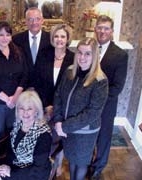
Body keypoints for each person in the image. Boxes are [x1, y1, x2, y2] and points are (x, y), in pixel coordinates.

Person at [53, 37, 108, 180]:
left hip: (85, 133)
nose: (82, 57)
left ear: (95, 56)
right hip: (66, 130)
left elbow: (92, 113)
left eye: (88, 54)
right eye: (80, 53)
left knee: (81, 163)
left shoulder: (100, 80)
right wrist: (58, 121)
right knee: (71, 160)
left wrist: (64, 126)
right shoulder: (69, 72)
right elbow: (58, 95)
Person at [89, 15, 128, 180]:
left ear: (111, 32)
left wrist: (98, 101)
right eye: (99, 27)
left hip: (106, 105)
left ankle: (98, 168)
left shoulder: (120, 55)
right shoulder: (88, 49)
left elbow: (117, 87)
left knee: (103, 138)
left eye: (106, 28)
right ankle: (87, 162)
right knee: (88, 135)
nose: (102, 31)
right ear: (95, 29)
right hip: (86, 105)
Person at [0, 21, 28, 158]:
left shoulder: (18, 51)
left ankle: (11, 161)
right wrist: (7, 99)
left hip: (16, 102)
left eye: (8, 34)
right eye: (1, 35)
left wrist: (15, 97)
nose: (5, 38)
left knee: (14, 132)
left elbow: (25, 74)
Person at [0, 90, 52, 180]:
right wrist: (4, 165)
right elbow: (12, 152)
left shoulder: (43, 135)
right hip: (16, 161)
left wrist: (9, 171)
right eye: (21, 108)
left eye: (29, 109)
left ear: (37, 110)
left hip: (31, 173)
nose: (25, 112)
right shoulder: (18, 125)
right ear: (17, 109)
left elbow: (38, 169)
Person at [34, 23, 74, 177]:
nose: (59, 39)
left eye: (63, 36)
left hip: (62, 108)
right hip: (44, 106)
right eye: (56, 36)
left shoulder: (73, 58)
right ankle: (44, 166)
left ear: (67, 38)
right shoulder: (44, 55)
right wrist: (46, 105)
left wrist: (56, 107)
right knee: (45, 138)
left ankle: (57, 165)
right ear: (52, 38)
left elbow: (71, 88)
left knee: (60, 137)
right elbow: (37, 81)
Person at [12, 7, 51, 88]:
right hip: (22, 86)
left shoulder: (51, 39)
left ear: (42, 20)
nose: (34, 22)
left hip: (44, 86)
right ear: (26, 21)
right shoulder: (16, 39)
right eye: (30, 19)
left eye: (37, 19)